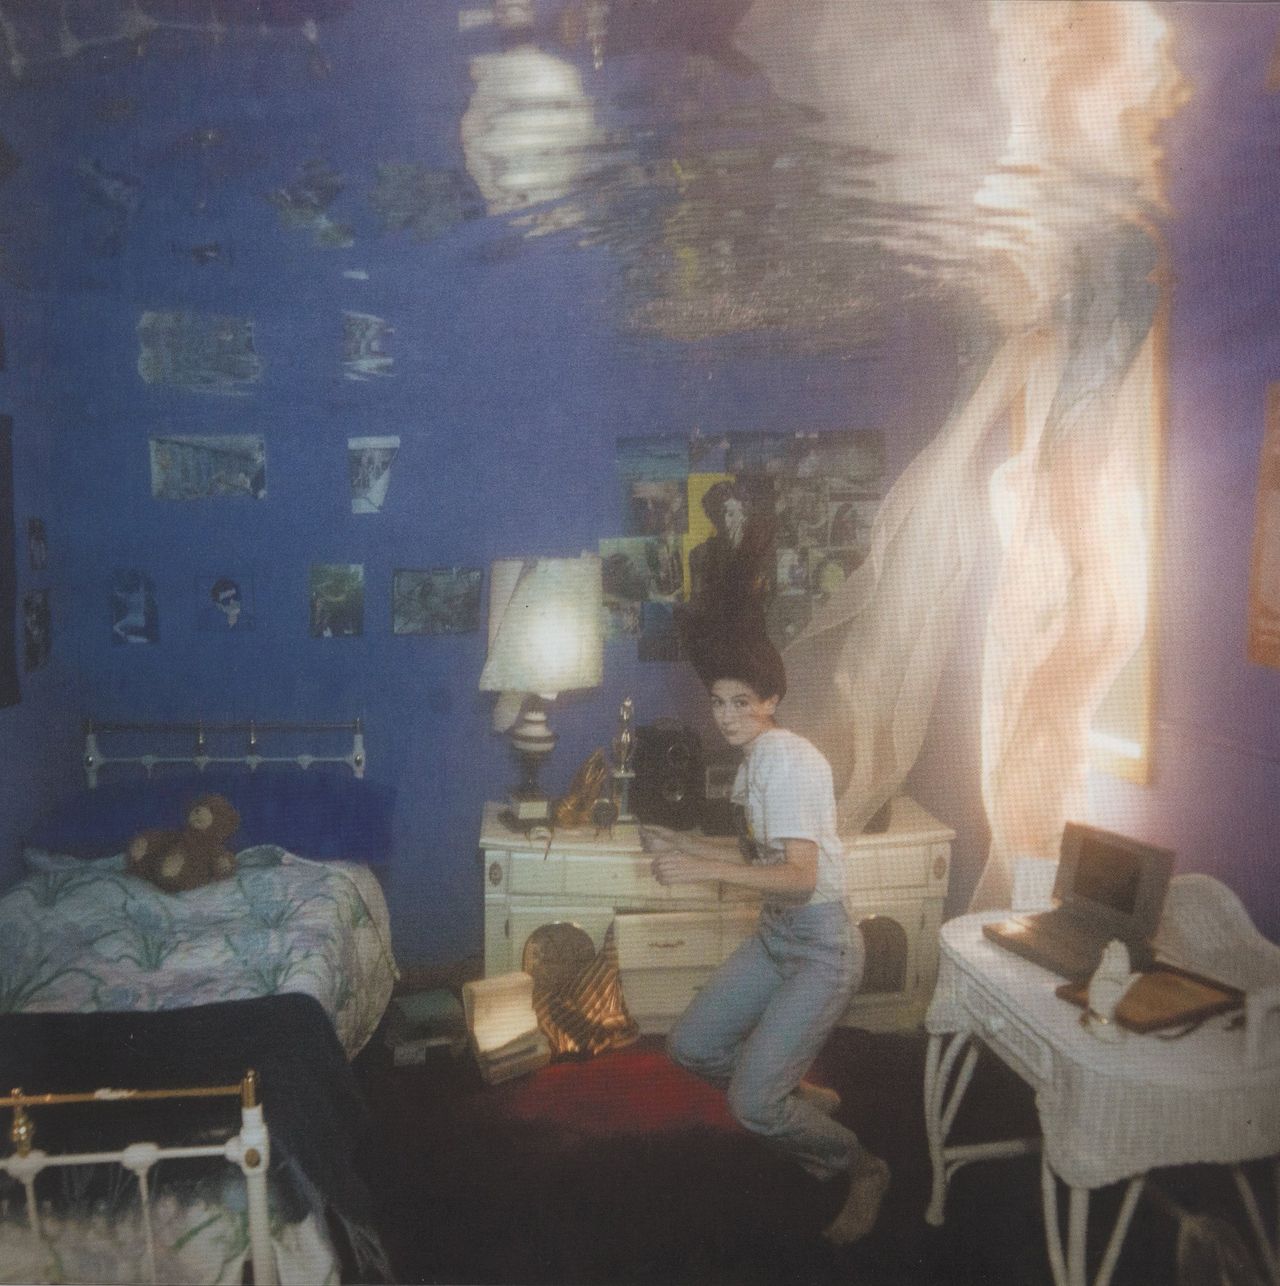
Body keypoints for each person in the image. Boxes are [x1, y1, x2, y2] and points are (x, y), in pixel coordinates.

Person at [639, 630, 890, 1245]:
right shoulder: (755, 761)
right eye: (718, 701)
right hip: (777, 934)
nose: (726, 716)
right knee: (690, 1046)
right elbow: (759, 856)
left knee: (750, 1105)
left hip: (822, 949)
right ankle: (794, 1098)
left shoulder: (788, 761)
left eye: (741, 702)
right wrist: (683, 843)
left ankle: (863, 1166)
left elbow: (800, 877)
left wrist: (698, 869)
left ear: (771, 699)